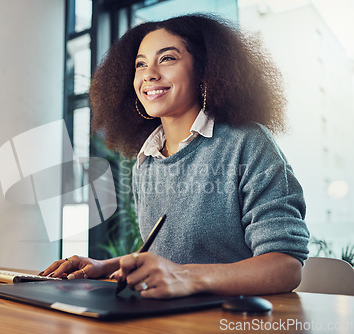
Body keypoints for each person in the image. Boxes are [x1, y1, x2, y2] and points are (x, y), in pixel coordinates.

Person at [40, 13, 310, 299]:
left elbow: (285, 266)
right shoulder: (147, 159)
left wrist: (184, 277)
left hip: (233, 319)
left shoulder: (247, 143)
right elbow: (170, 256)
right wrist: (105, 266)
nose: (149, 74)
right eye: (140, 64)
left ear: (205, 69)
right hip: (168, 317)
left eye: (167, 58)